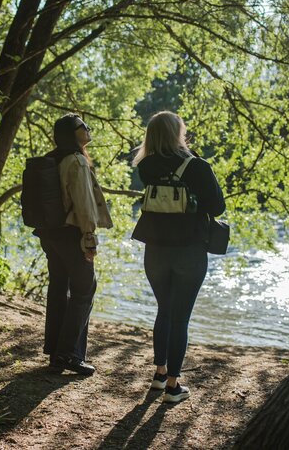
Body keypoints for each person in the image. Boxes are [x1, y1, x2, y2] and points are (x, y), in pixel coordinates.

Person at [131, 111, 225, 403]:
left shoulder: (145, 166)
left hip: (155, 249)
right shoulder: (196, 166)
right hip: (189, 250)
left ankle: (159, 375)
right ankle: (173, 385)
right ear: (178, 133)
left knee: (164, 310)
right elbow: (218, 207)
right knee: (181, 316)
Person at [35, 113, 113, 375]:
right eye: (83, 126)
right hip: (71, 234)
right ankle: (68, 354)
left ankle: (55, 351)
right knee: (84, 290)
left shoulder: (53, 158)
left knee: (59, 288)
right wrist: (89, 238)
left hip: (51, 234)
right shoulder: (77, 161)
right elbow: (84, 205)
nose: (88, 129)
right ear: (72, 133)